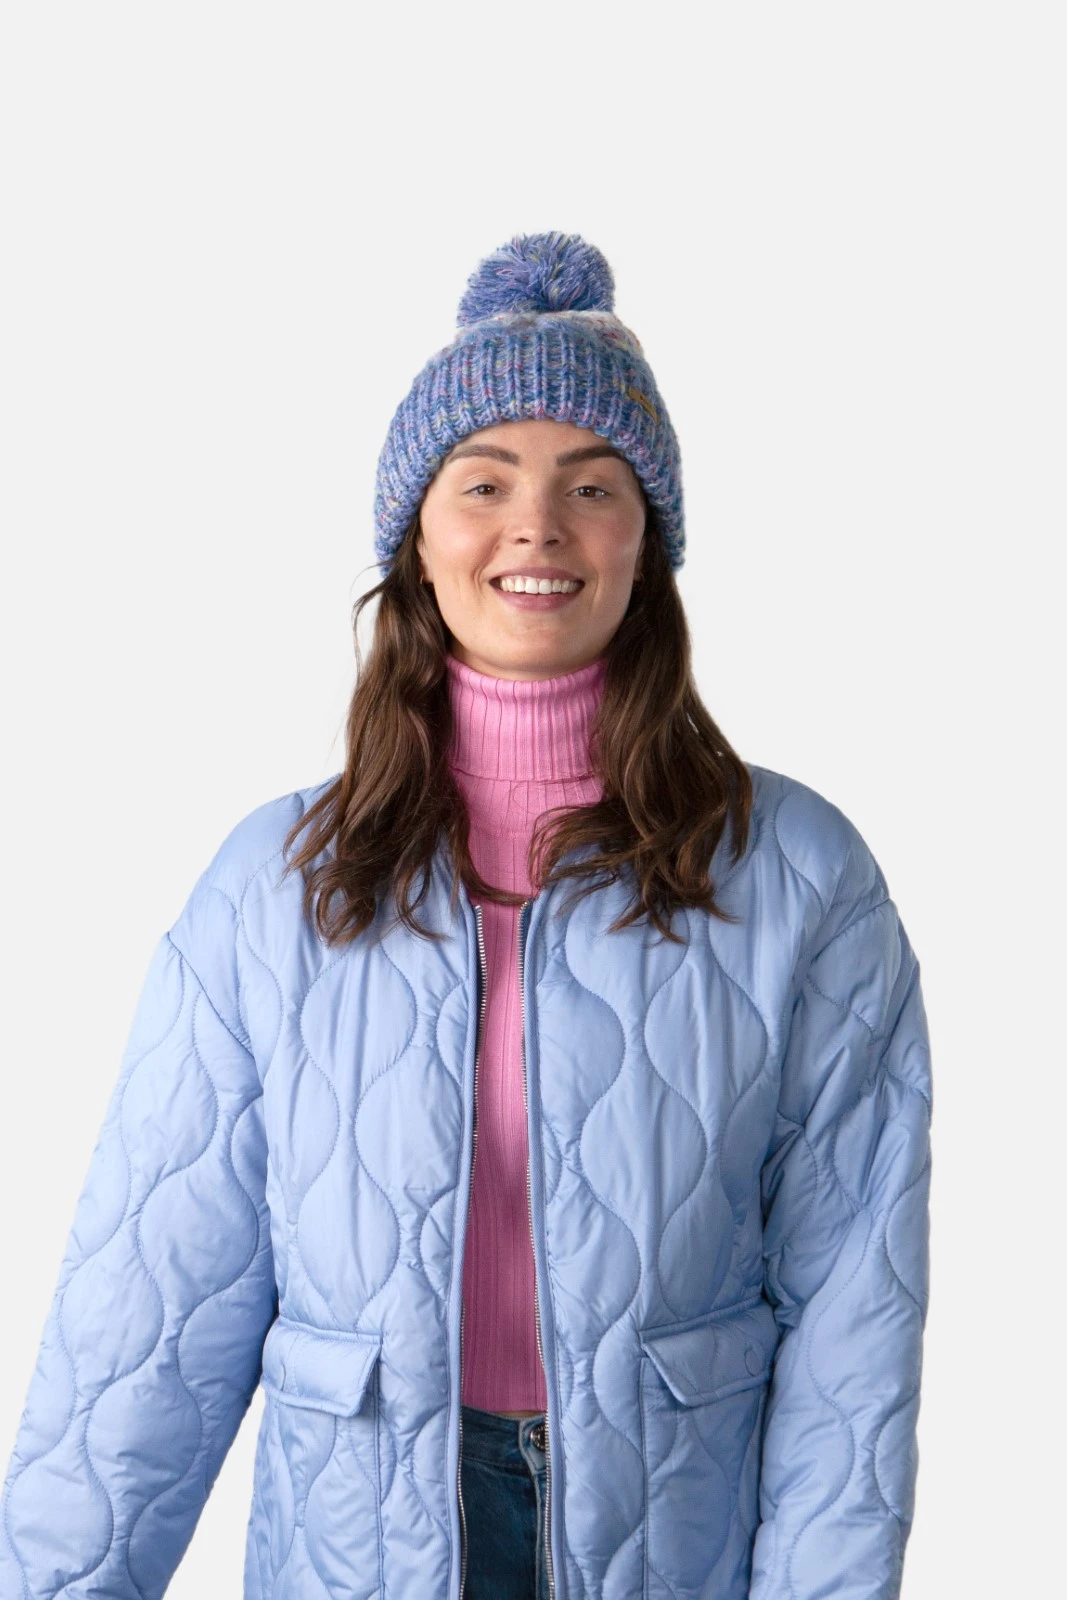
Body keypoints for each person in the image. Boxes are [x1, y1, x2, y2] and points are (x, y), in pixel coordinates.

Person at [0, 231, 933, 1600]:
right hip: (359, 1539)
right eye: (483, 482)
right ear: (419, 540)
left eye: (592, 486)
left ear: (645, 545)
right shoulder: (272, 883)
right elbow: (149, 1305)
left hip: (676, 1536)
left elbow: (855, 1312)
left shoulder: (798, 872)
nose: (536, 526)